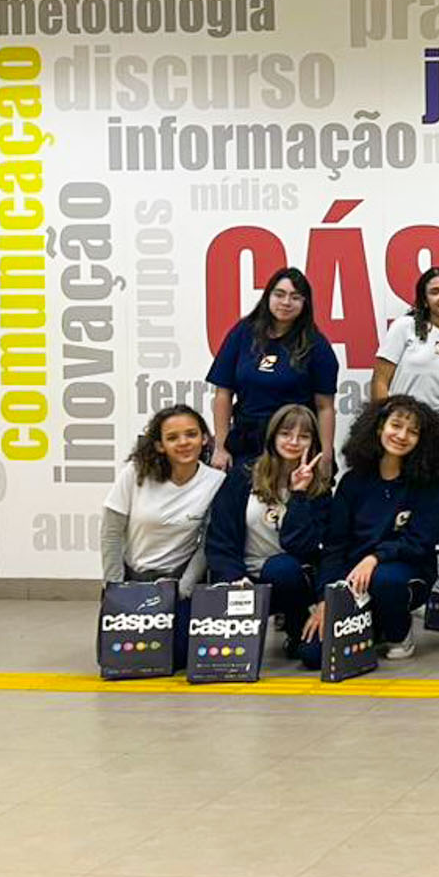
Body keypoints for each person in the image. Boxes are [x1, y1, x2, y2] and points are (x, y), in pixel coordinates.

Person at [317, 394, 439, 661]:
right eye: (396, 425)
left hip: (402, 572)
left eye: (413, 431)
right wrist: (326, 598)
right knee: (315, 654)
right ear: (380, 427)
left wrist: (375, 558)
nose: (402, 435)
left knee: (386, 580)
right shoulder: (352, 482)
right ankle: (374, 625)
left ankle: (398, 633)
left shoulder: (430, 485)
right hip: (353, 576)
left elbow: (419, 542)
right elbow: (334, 545)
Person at [204, 403, 329, 669]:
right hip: (244, 580)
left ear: (313, 443)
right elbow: (219, 538)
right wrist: (233, 577)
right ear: (272, 436)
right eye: (286, 433)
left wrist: (298, 494)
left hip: (293, 580)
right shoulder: (242, 476)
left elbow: (300, 545)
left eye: (304, 436)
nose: (293, 442)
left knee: (314, 657)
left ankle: (296, 626)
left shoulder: (319, 488)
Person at [103, 405, 226, 665]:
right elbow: (111, 533)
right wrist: (115, 589)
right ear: (160, 445)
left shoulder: (216, 481)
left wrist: (184, 589)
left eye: (191, 434)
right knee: (120, 660)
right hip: (133, 578)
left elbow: (207, 544)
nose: (183, 443)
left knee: (177, 658)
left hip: (178, 582)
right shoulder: (135, 473)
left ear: (205, 439)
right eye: (172, 437)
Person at [206, 266, 338, 468]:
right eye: (279, 294)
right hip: (247, 443)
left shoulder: (316, 345)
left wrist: (325, 455)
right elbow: (223, 393)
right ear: (268, 296)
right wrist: (221, 448)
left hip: (292, 447)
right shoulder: (243, 332)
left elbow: (324, 407)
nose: (286, 302)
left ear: (305, 303)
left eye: (295, 297)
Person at [372, 267, 439, 418]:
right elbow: (380, 380)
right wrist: (385, 420)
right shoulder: (405, 326)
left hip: (438, 425)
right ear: (425, 301)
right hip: (400, 420)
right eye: (435, 292)